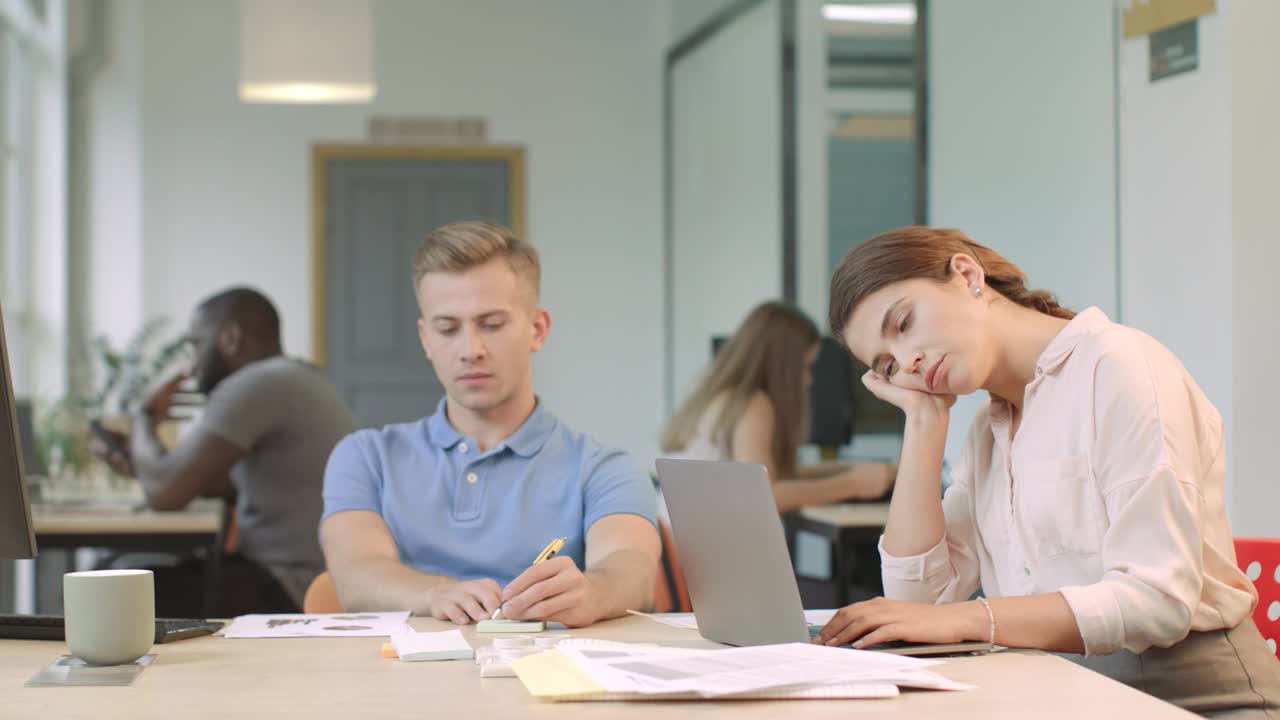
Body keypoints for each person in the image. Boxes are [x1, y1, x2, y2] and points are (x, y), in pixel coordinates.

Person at [815, 226, 1279, 717]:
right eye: (887, 366)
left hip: (1197, 700)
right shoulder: (985, 433)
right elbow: (918, 601)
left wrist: (970, 619)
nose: (908, 361)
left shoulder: (1120, 366)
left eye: (905, 322)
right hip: (1061, 692)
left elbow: (1157, 598)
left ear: (967, 274)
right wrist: (924, 421)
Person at [320, 220, 660, 627]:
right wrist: (435, 594)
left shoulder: (604, 468)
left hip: (546, 680)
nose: (471, 350)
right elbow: (356, 575)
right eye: (448, 329)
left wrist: (595, 592)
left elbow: (632, 570)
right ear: (426, 339)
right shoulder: (364, 457)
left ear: (538, 330)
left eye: (492, 325)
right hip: (400, 684)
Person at [94, 287, 356, 616]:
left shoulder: (257, 384)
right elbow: (210, 483)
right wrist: (139, 463)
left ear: (230, 338)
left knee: (101, 591)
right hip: (311, 578)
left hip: (290, 587)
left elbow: (165, 493)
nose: (191, 366)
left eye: (197, 343)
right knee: (115, 573)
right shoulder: (294, 378)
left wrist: (143, 417)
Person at [660, 301, 895, 513]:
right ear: (782, 366)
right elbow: (765, 495)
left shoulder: (723, 398)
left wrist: (843, 469)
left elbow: (768, 473)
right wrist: (853, 483)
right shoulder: (753, 405)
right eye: (806, 367)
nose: (809, 380)